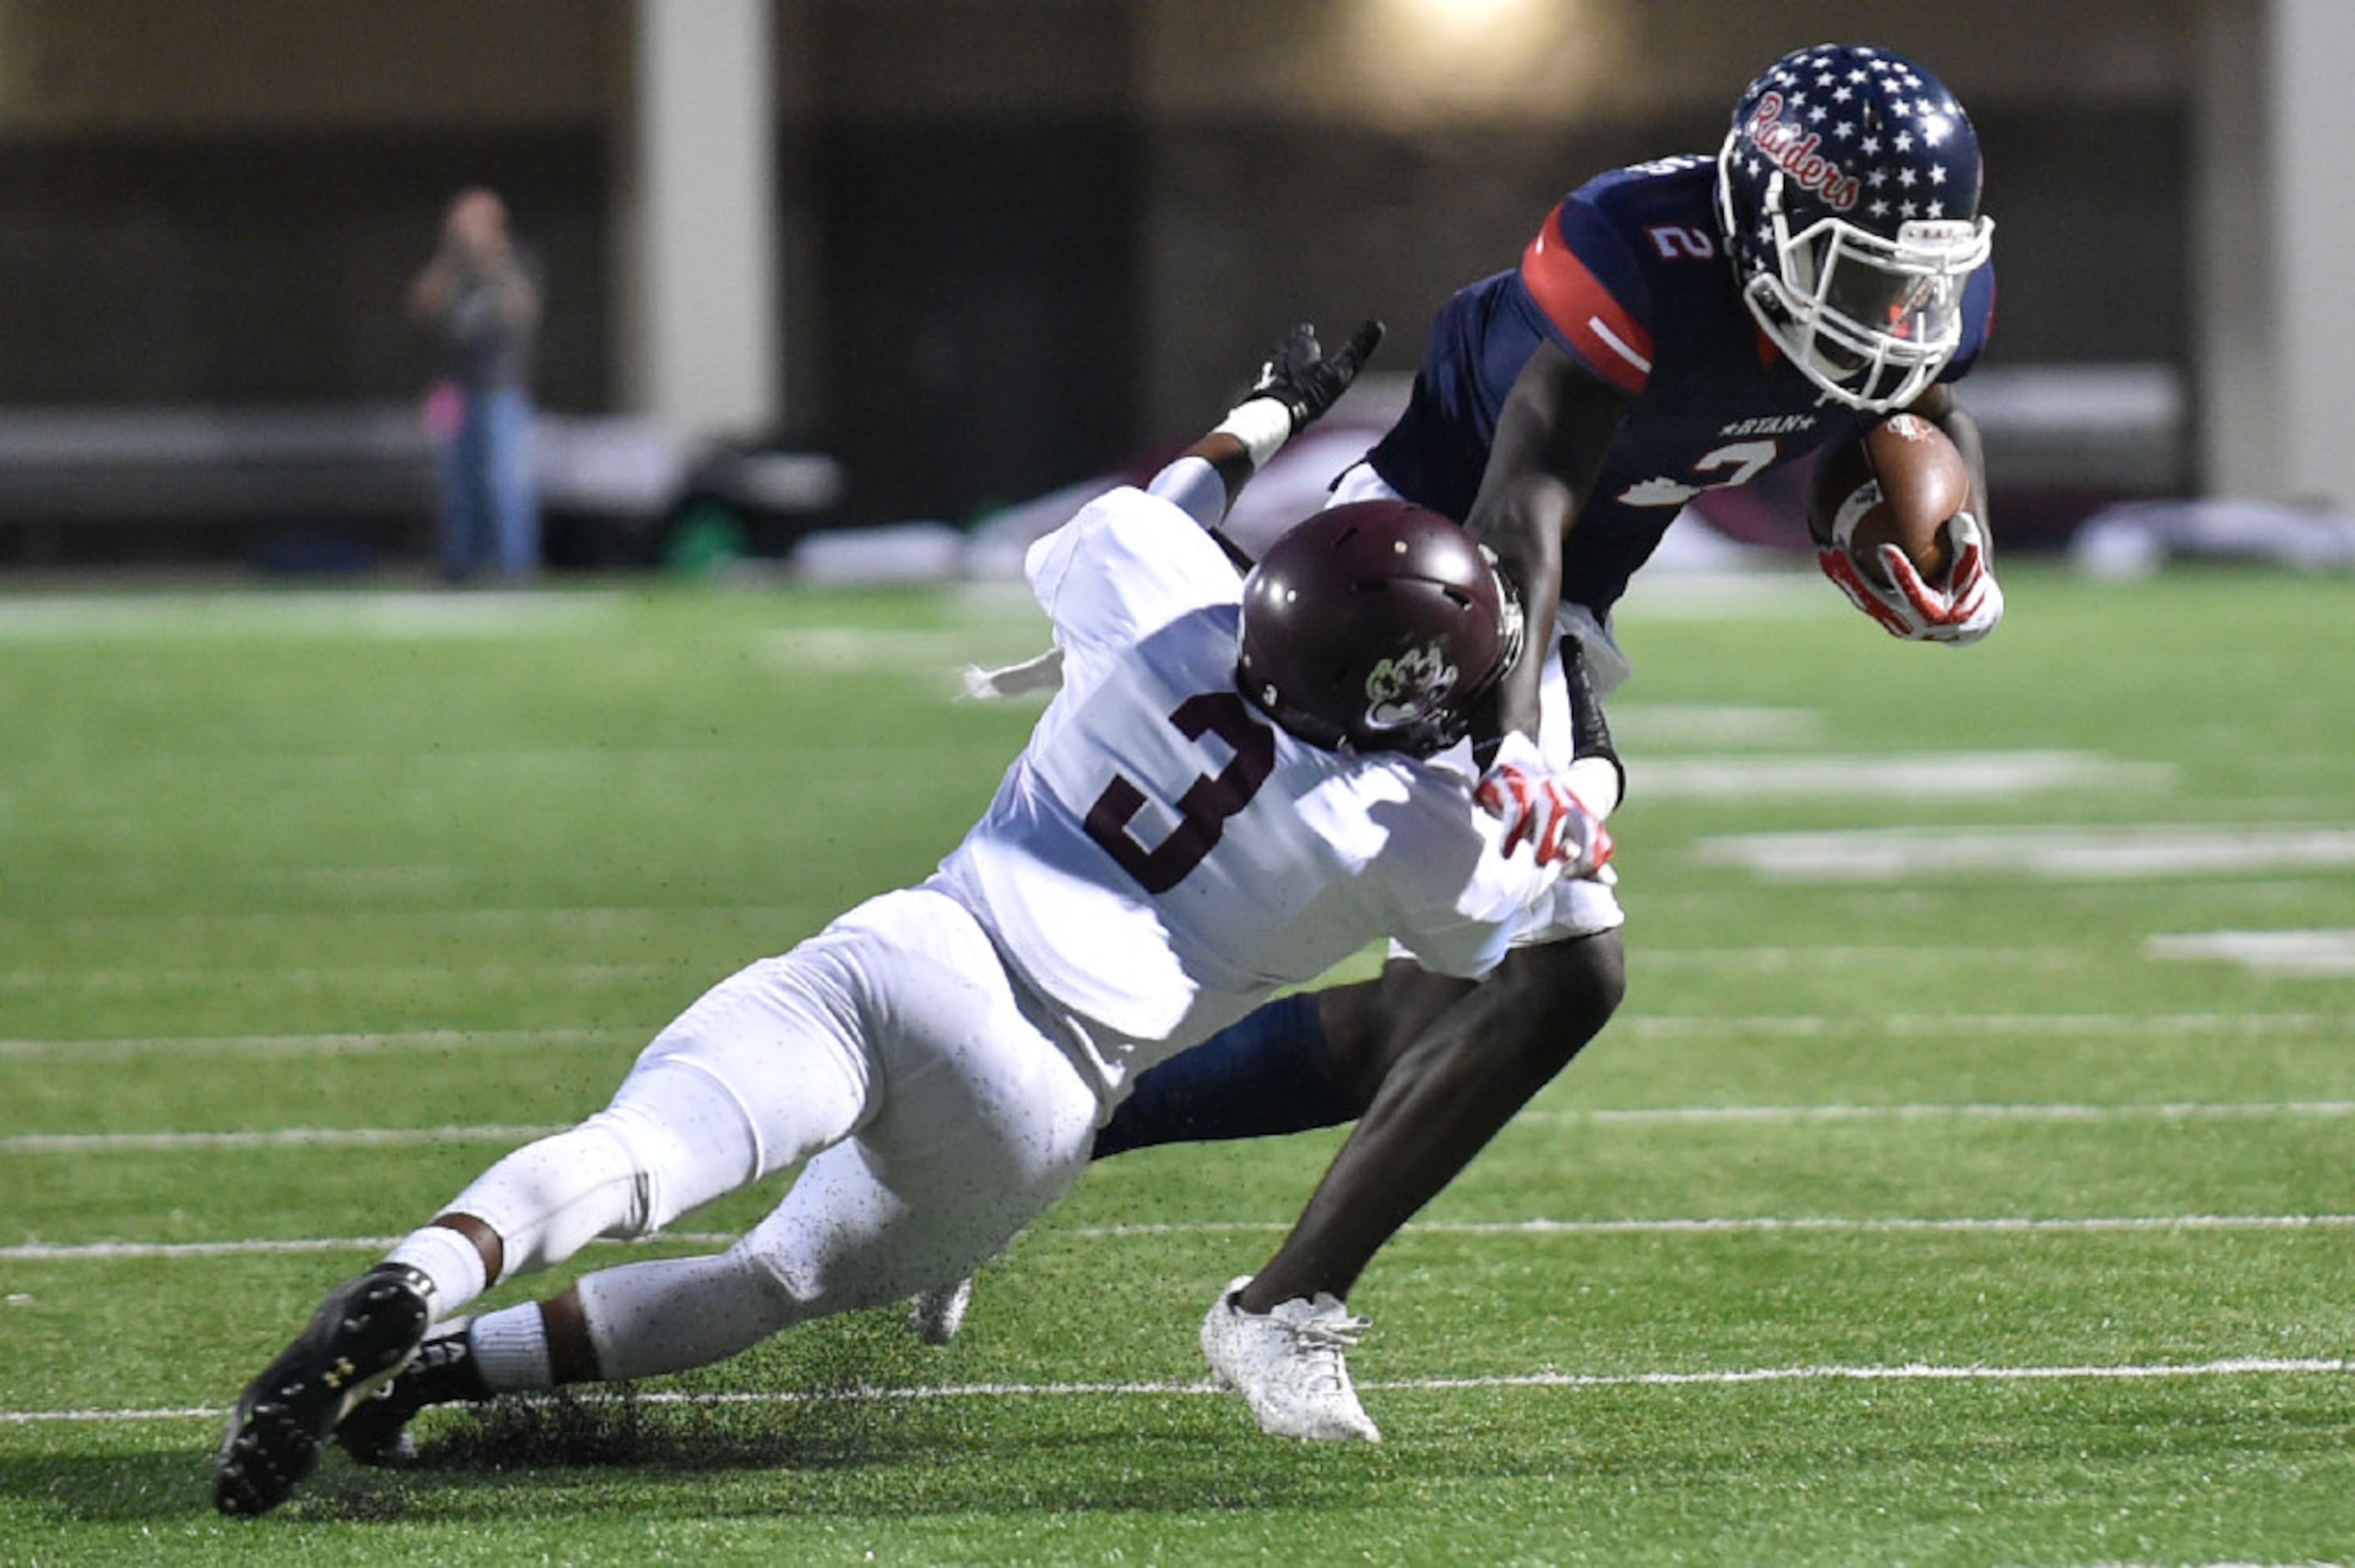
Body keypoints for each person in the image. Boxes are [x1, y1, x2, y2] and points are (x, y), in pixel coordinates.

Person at [212, 320, 1610, 1517]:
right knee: (771, 1275)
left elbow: (1153, 503)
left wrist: (1266, 411)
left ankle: (418, 1278)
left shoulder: (1169, 605)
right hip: (1038, 1098)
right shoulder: (1402, 831)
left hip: (915, 953)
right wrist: (1571, 740)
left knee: (634, 1150)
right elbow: (1501, 926)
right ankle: (455, 1370)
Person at [925, 41, 2007, 1438]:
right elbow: (1525, 514)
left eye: (1910, 278)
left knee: (1414, 1027)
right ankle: (1275, 1306)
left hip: (1565, 608)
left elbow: (1916, 392)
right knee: (1566, 973)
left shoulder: (1910, 298)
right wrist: (1513, 747)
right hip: (1419, 575)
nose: (1897, 313)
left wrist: (1948, 518)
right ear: (1766, 223)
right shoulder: (1636, 259)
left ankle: (1020, 1153)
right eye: (1860, 277)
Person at [407, 187, 544, 584]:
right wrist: (452, 256)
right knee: (456, 485)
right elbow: (420, 304)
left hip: (502, 389)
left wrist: (492, 260)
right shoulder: (452, 269)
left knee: (506, 483)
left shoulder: (517, 259)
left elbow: (525, 310)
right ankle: (458, 570)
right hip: (454, 391)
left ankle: (516, 571)